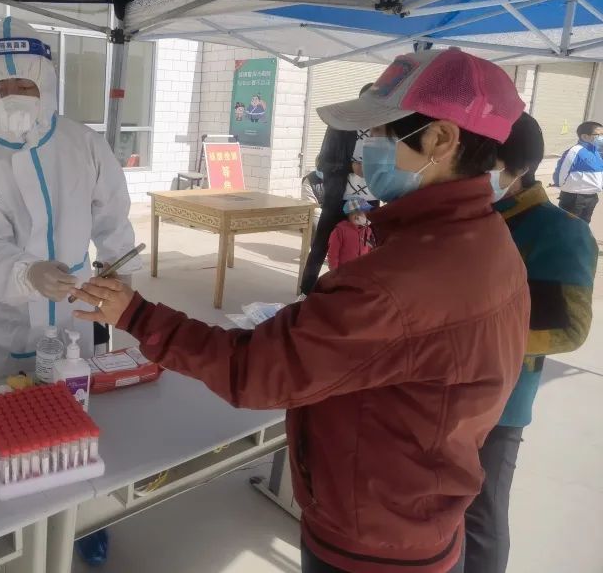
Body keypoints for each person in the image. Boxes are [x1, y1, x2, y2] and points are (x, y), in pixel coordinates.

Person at [71, 48, 529, 573]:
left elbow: (255, 370)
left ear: (442, 139)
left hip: (372, 540)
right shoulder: (488, 240)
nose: (367, 149)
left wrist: (136, 315)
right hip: (423, 510)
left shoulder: (398, 282)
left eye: (381, 133)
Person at [0, 17, 139, 392]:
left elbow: (112, 214)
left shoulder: (83, 144)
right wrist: (25, 275)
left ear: (45, 84)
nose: (12, 96)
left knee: (72, 401)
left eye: (24, 85)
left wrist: (119, 269)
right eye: (0, 88)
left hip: (72, 308)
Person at [464, 113, 596, 572]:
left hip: (500, 402)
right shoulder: (473, 218)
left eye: (479, 162)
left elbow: (568, 328)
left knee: (481, 513)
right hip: (442, 390)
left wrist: (469, 340)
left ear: (517, 167)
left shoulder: (559, 231)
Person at [299, 84, 377, 294]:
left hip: (371, 199)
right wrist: (352, 167)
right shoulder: (340, 125)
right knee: (320, 246)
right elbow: (324, 162)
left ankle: (360, 292)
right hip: (339, 197)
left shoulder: (384, 127)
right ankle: (306, 293)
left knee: (368, 247)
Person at [552, 120, 603, 223]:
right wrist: (563, 187)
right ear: (584, 136)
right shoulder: (575, 151)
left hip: (592, 196)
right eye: (599, 135)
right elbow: (561, 172)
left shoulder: (596, 152)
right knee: (569, 225)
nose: (601, 138)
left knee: (584, 225)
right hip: (575, 198)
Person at [325, 197, 373, 270]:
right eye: (353, 213)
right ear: (348, 215)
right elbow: (333, 253)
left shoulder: (368, 230)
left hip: (362, 270)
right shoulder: (339, 230)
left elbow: (369, 248)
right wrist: (334, 271)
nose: (357, 215)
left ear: (366, 215)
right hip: (344, 271)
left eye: (361, 212)